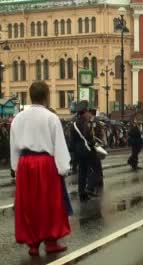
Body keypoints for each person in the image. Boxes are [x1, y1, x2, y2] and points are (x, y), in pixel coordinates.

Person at [10, 81, 71, 256]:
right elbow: (58, 144)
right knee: (49, 203)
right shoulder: (51, 118)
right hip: (45, 163)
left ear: (31, 96)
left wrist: (16, 167)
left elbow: (14, 145)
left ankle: (33, 244)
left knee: (28, 205)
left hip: (25, 163)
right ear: (46, 96)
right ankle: (51, 241)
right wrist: (63, 168)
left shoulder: (18, 118)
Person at [70, 101, 97, 202]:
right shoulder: (84, 124)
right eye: (87, 112)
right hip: (86, 150)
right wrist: (93, 143)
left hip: (78, 151)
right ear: (84, 112)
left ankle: (82, 192)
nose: (88, 114)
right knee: (91, 170)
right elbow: (89, 137)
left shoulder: (74, 124)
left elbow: (72, 139)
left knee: (82, 172)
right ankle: (88, 189)